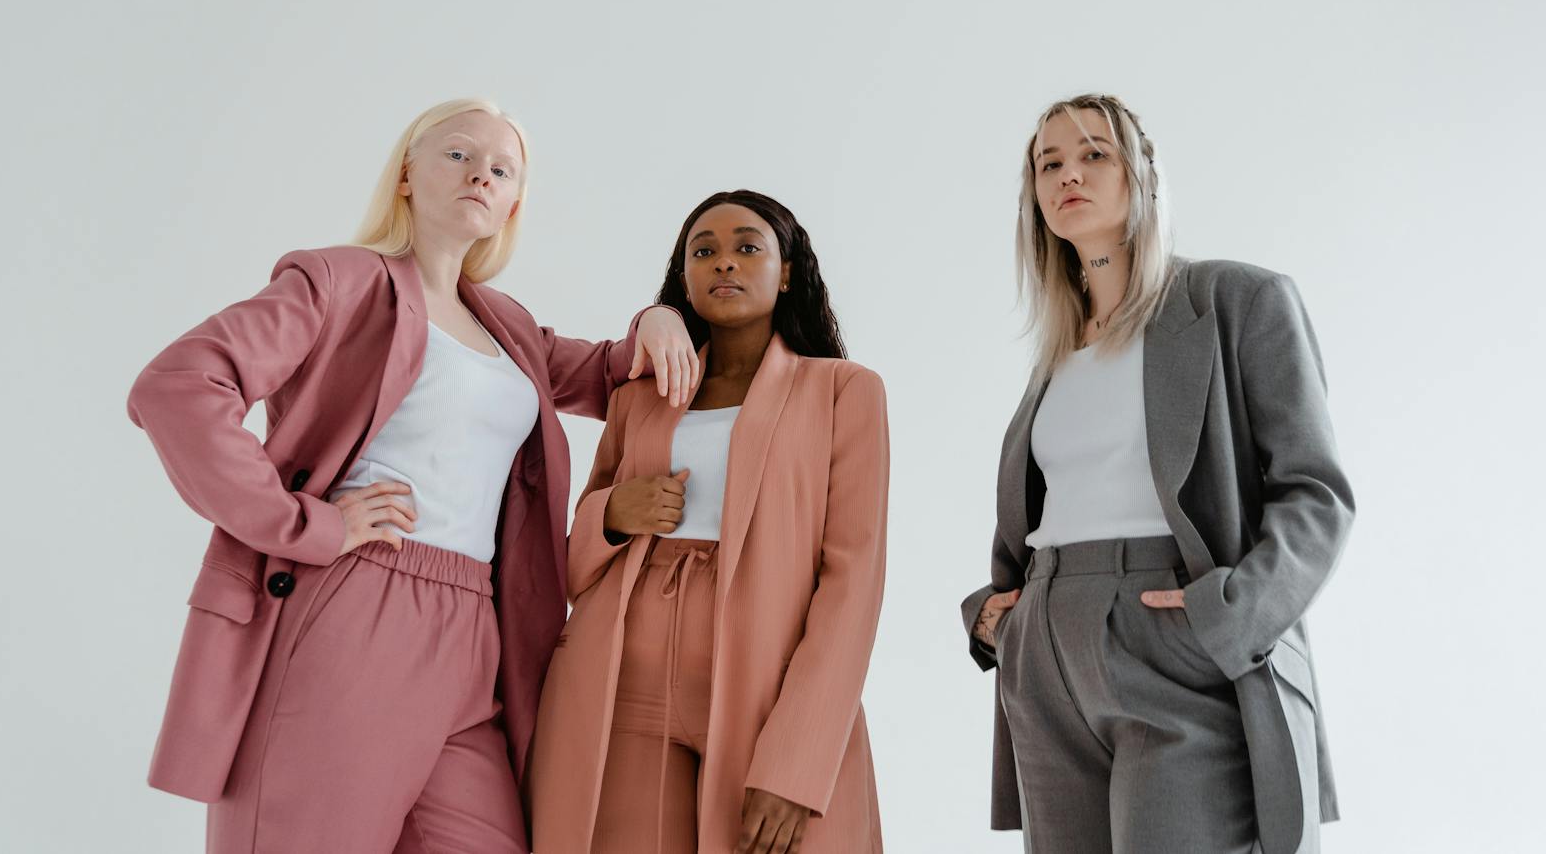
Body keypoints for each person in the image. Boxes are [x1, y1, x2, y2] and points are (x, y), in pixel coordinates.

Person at [127, 97, 699, 853]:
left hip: (478, 629)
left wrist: (658, 318)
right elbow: (179, 385)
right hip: (359, 598)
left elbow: (608, 370)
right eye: (458, 154)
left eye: (502, 168)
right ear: (407, 173)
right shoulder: (339, 282)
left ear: (512, 205)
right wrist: (306, 523)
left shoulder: (508, 326)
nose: (480, 175)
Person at [960, 94, 1353, 854]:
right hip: (1046, 651)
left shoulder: (1237, 300)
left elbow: (1317, 491)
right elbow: (1049, 507)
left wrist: (1233, 612)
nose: (1067, 174)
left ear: (1143, 174)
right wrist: (995, 617)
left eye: (1093, 154)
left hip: (1176, 631)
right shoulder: (1055, 355)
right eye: (1049, 163)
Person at [528, 190, 889, 854]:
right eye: (705, 251)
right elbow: (573, 567)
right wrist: (612, 513)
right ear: (684, 279)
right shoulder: (639, 396)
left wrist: (798, 764)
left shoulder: (843, 391)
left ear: (786, 270)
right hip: (621, 687)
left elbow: (852, 582)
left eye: (747, 246)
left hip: (764, 684)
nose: (725, 262)